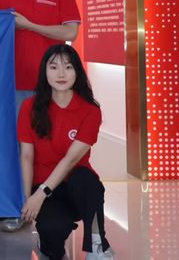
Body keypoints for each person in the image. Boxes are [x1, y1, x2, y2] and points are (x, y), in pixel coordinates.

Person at [0, 0, 81, 233]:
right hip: (15, 82)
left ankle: (53, 206)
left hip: (54, 85)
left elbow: (70, 32)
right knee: (22, 148)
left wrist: (29, 25)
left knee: (53, 145)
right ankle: (20, 206)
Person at [17, 44, 114, 260]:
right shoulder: (29, 107)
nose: (61, 74)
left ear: (77, 71)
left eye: (68, 67)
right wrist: (28, 198)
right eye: (54, 67)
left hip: (76, 186)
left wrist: (40, 194)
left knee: (87, 181)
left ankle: (97, 245)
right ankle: (48, 243)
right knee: (53, 234)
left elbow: (71, 159)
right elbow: (26, 156)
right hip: (45, 188)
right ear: (44, 72)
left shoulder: (90, 111)